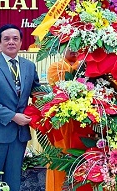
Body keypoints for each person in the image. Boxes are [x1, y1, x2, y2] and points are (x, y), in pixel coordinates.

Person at [0, 24, 40, 191]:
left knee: (13, 182)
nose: (11, 42)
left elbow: (37, 93)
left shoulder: (29, 66)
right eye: (6, 39)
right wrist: (13, 116)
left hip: (19, 136)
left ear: (21, 42)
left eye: (15, 39)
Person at [45, 48, 83, 191]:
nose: (74, 51)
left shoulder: (85, 64)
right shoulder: (56, 67)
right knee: (61, 158)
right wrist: (78, 68)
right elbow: (63, 87)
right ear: (62, 49)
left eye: (77, 47)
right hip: (62, 124)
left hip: (83, 122)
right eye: (70, 48)